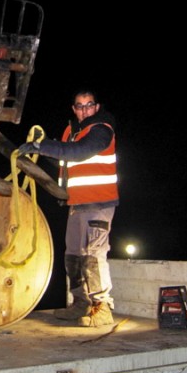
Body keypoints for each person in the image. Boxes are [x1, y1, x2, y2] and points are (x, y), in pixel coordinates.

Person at [18, 89, 119, 327]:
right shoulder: (71, 132)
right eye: (79, 106)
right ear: (74, 109)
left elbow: (80, 152)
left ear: (96, 107)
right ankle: (80, 303)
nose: (84, 110)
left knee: (94, 256)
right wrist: (39, 152)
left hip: (99, 203)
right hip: (76, 204)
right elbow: (65, 160)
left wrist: (41, 146)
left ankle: (102, 306)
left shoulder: (101, 129)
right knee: (73, 256)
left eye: (89, 105)